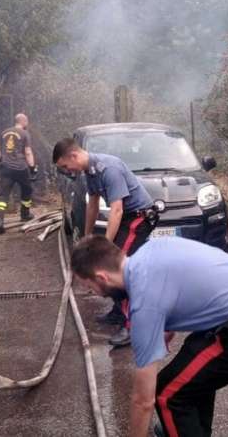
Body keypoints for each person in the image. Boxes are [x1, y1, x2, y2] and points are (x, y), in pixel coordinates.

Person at [70, 235, 228, 437]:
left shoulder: (144, 304)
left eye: (90, 287)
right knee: (190, 374)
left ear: (102, 277)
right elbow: (186, 281)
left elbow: (142, 401)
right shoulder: (153, 248)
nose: (94, 293)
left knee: (169, 395)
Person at [53, 137, 157, 347]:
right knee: (111, 266)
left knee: (118, 268)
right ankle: (119, 312)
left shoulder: (109, 168)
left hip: (139, 217)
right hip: (126, 217)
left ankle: (131, 327)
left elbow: (116, 210)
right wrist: (87, 237)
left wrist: (104, 248)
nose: (67, 170)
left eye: (65, 165)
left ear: (73, 156)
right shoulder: (90, 172)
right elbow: (92, 204)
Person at [0, 113, 38, 233]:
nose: (27, 124)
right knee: (27, 190)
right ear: (23, 121)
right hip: (21, 168)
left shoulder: (4, 132)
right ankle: (25, 214)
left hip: (6, 168)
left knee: (3, 195)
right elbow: (28, 152)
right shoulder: (25, 134)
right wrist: (32, 168)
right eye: (26, 122)